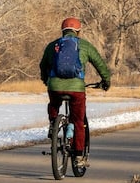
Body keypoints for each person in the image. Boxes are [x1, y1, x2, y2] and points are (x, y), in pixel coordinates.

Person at [40, 17, 112, 170]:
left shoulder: (53, 46)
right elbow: (100, 64)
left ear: (63, 31)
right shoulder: (84, 45)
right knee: (78, 121)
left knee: (53, 103)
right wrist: (106, 81)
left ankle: (53, 124)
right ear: (78, 32)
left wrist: (47, 81)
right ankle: (79, 157)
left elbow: (43, 65)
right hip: (76, 89)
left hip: (55, 86)